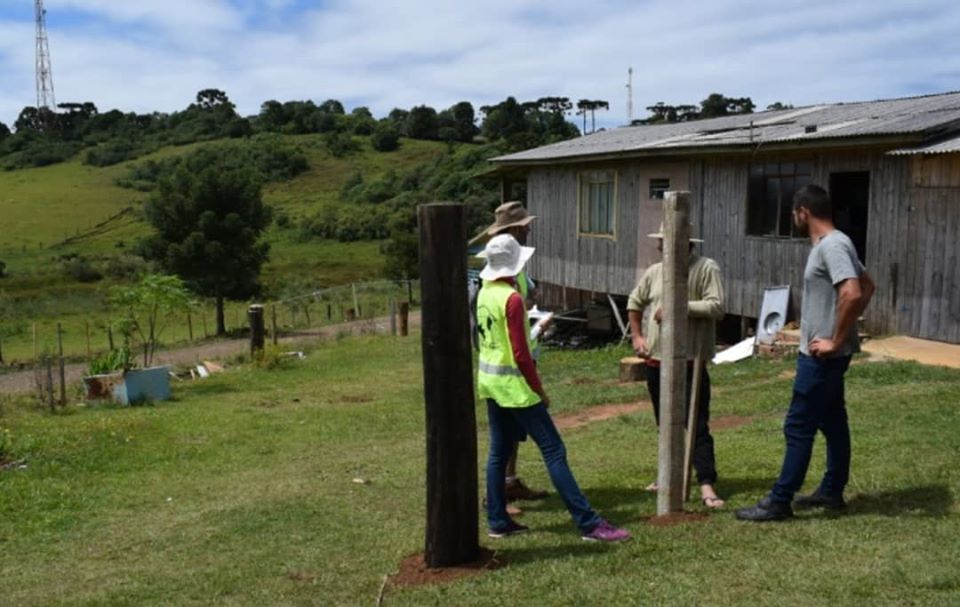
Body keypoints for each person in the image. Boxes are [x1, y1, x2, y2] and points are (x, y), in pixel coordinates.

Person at [477, 234, 630, 542]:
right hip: (517, 387)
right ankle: (588, 523)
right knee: (554, 450)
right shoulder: (513, 299)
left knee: (499, 452)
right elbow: (520, 353)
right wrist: (540, 390)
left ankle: (497, 519)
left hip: (491, 383)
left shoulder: (485, 293)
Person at [736, 184, 875, 522]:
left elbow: (854, 292)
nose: (794, 218)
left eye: (794, 214)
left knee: (798, 425)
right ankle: (831, 491)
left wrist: (834, 339)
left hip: (821, 358)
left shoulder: (832, 245)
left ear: (803, 212)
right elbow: (868, 285)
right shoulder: (835, 244)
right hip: (827, 356)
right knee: (832, 421)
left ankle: (780, 501)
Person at [627, 222, 726, 509]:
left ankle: (706, 483)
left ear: (683, 245)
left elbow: (717, 306)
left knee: (696, 424)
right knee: (665, 424)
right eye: (660, 245)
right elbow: (635, 301)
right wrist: (637, 336)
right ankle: (667, 475)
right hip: (657, 360)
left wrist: (680, 306)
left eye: (664, 245)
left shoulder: (707, 268)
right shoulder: (656, 272)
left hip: (690, 360)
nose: (660, 250)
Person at [470, 201, 550, 504]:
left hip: (517, 354)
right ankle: (497, 495)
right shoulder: (494, 267)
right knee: (504, 437)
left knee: (513, 433)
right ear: (514, 229)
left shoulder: (516, 263)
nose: (529, 228)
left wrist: (530, 301)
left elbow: (523, 295)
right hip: (508, 363)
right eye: (525, 224)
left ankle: (509, 482)